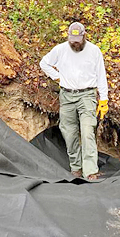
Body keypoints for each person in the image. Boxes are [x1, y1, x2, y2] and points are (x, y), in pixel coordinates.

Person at [40, 22, 109, 180]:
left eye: (78, 39)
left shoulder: (94, 51)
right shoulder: (60, 50)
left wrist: (103, 99)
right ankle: (76, 167)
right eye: (72, 39)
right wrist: (56, 76)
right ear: (68, 37)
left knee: (87, 131)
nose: (75, 42)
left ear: (84, 35)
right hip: (67, 96)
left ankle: (90, 171)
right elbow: (44, 63)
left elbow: (101, 75)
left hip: (87, 96)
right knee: (69, 133)